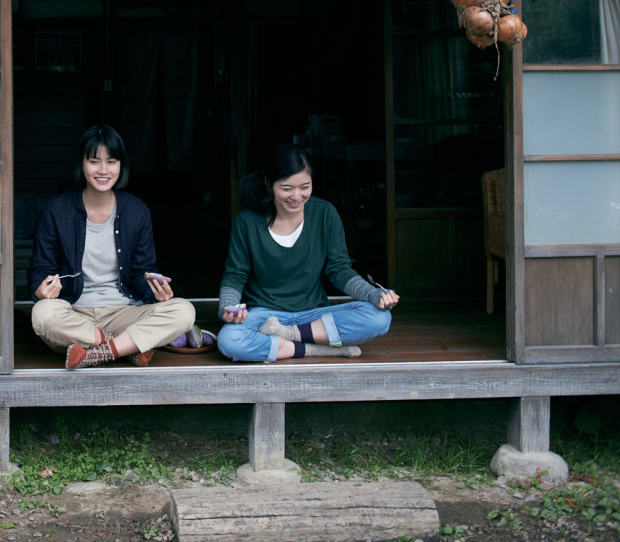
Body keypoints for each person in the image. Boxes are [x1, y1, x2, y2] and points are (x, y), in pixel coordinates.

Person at [29, 124, 197, 369]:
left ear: (121, 165)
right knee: (43, 314)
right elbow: (39, 270)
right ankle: (124, 348)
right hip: (73, 313)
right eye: (94, 161)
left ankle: (98, 351)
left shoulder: (136, 210)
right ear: (82, 164)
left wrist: (155, 291)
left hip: (123, 313)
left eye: (112, 161)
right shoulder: (56, 210)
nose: (103, 170)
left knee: (184, 311)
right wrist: (40, 291)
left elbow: (141, 271)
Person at [216, 142, 399, 363]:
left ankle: (289, 337)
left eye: (305, 187)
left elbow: (340, 269)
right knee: (229, 340)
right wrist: (228, 306)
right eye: (286, 188)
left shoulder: (325, 213)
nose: (296, 196)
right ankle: (315, 348)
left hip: (314, 315)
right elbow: (235, 275)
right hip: (264, 315)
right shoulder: (247, 221)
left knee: (379, 318)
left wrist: (373, 294)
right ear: (269, 183)